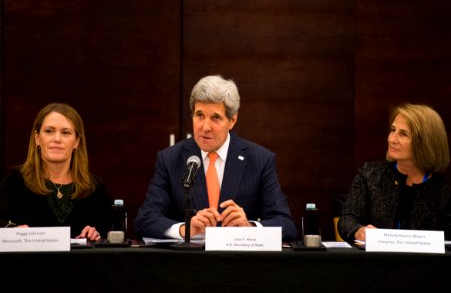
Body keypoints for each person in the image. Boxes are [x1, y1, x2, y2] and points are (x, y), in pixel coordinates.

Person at [134, 75, 298, 242]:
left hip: (239, 263)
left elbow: (286, 225)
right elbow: (145, 220)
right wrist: (186, 229)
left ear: (232, 120)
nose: (205, 127)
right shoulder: (169, 159)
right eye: (200, 115)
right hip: (188, 263)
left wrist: (249, 228)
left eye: (215, 117)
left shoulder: (259, 160)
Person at [338, 103, 451, 244]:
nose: (391, 139)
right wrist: (359, 231)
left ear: (425, 143)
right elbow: (347, 221)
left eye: (403, 134)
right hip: (376, 263)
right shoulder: (369, 175)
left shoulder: (444, 191)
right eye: (393, 130)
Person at [0, 102, 111, 241]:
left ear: (76, 141)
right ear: (37, 138)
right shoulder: (15, 181)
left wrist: (96, 234)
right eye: (49, 131)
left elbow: (109, 237)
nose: (57, 139)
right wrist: (12, 231)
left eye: (65, 133)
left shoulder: (94, 187)